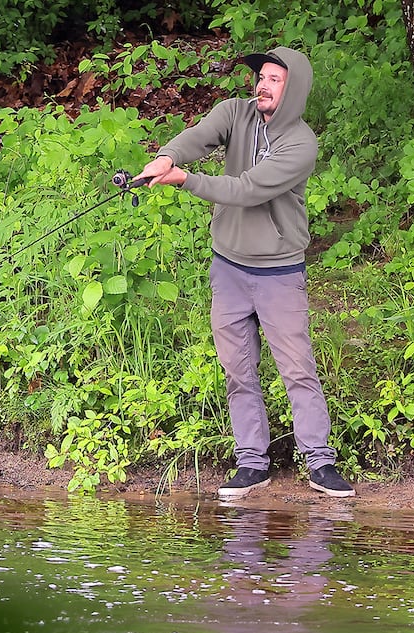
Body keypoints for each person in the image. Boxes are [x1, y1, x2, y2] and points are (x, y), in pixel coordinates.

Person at [135, 46, 354, 499]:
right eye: (262, 77)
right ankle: (252, 463)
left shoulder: (301, 144)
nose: (263, 85)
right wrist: (165, 158)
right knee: (237, 370)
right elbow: (197, 137)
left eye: (275, 79)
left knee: (297, 370)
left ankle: (320, 461)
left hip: (278, 272)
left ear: (294, 91)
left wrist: (186, 180)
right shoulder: (235, 113)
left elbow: (248, 190)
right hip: (228, 268)